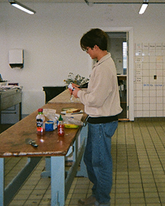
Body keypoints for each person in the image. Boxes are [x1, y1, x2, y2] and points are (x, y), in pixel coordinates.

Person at [70, 28, 122, 206]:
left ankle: (102, 201)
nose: (87, 52)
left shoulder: (104, 67)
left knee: (100, 164)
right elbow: (96, 91)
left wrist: (78, 94)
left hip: (102, 122)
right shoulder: (101, 64)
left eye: (87, 49)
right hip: (98, 121)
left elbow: (96, 100)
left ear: (96, 47)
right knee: (90, 160)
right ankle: (98, 195)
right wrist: (83, 90)